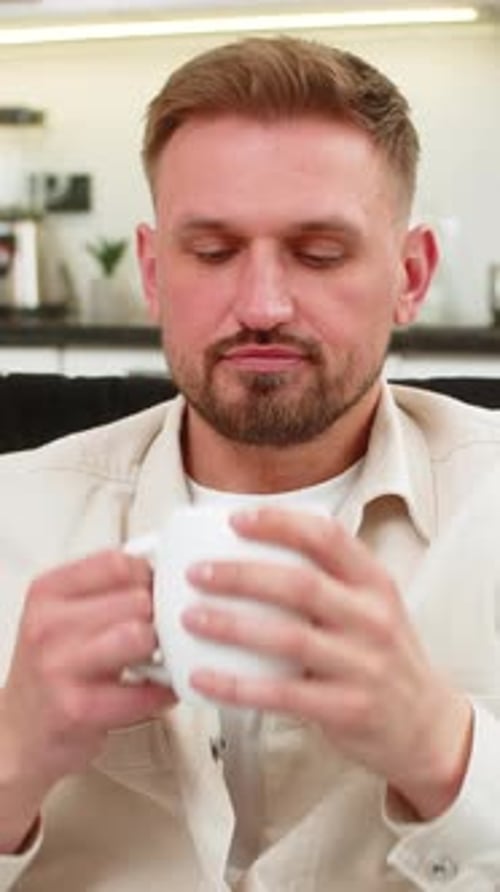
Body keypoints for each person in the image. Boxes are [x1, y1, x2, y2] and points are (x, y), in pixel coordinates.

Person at [0, 34, 500, 892]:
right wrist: (10, 761)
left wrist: (444, 752)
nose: (263, 306)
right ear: (152, 271)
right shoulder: (13, 520)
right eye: (213, 252)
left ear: (411, 276)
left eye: (320, 253)